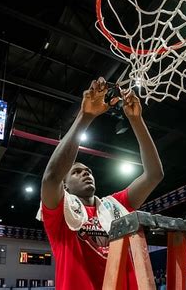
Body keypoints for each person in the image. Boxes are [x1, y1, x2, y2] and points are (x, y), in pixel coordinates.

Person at [39, 77, 164, 290]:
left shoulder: (114, 204)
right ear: (66, 186)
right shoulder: (59, 211)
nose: (86, 174)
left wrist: (136, 120)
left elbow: (154, 174)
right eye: (77, 172)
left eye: (88, 171)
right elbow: (52, 177)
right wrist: (85, 116)